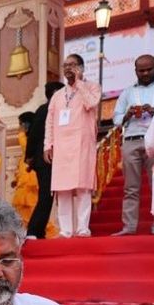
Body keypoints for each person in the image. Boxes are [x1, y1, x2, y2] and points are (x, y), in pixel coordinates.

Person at [45, 53, 102, 238]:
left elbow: (91, 103)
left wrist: (79, 83)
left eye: (73, 65)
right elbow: (50, 121)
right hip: (62, 147)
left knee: (83, 187)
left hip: (82, 144)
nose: (68, 68)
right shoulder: (57, 95)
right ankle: (66, 230)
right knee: (62, 189)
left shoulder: (92, 87)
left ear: (81, 68)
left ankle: (83, 228)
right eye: (66, 65)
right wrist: (48, 144)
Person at [112, 54, 154, 235]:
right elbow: (116, 119)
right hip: (132, 140)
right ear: (135, 71)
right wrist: (128, 114)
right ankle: (129, 227)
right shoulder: (127, 92)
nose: (145, 73)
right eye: (141, 70)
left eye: (149, 69)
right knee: (130, 188)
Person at [25, 82, 66, 238]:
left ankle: (38, 231)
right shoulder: (45, 109)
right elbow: (33, 135)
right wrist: (30, 157)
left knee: (49, 196)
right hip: (45, 160)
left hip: (52, 159)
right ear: (54, 93)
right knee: (45, 196)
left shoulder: (56, 109)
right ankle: (33, 231)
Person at [11, 113, 39, 227]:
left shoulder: (33, 140)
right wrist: (16, 179)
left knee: (32, 207)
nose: (19, 127)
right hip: (23, 180)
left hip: (31, 178)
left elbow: (26, 149)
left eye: (21, 124)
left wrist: (21, 133)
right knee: (21, 210)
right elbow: (21, 163)